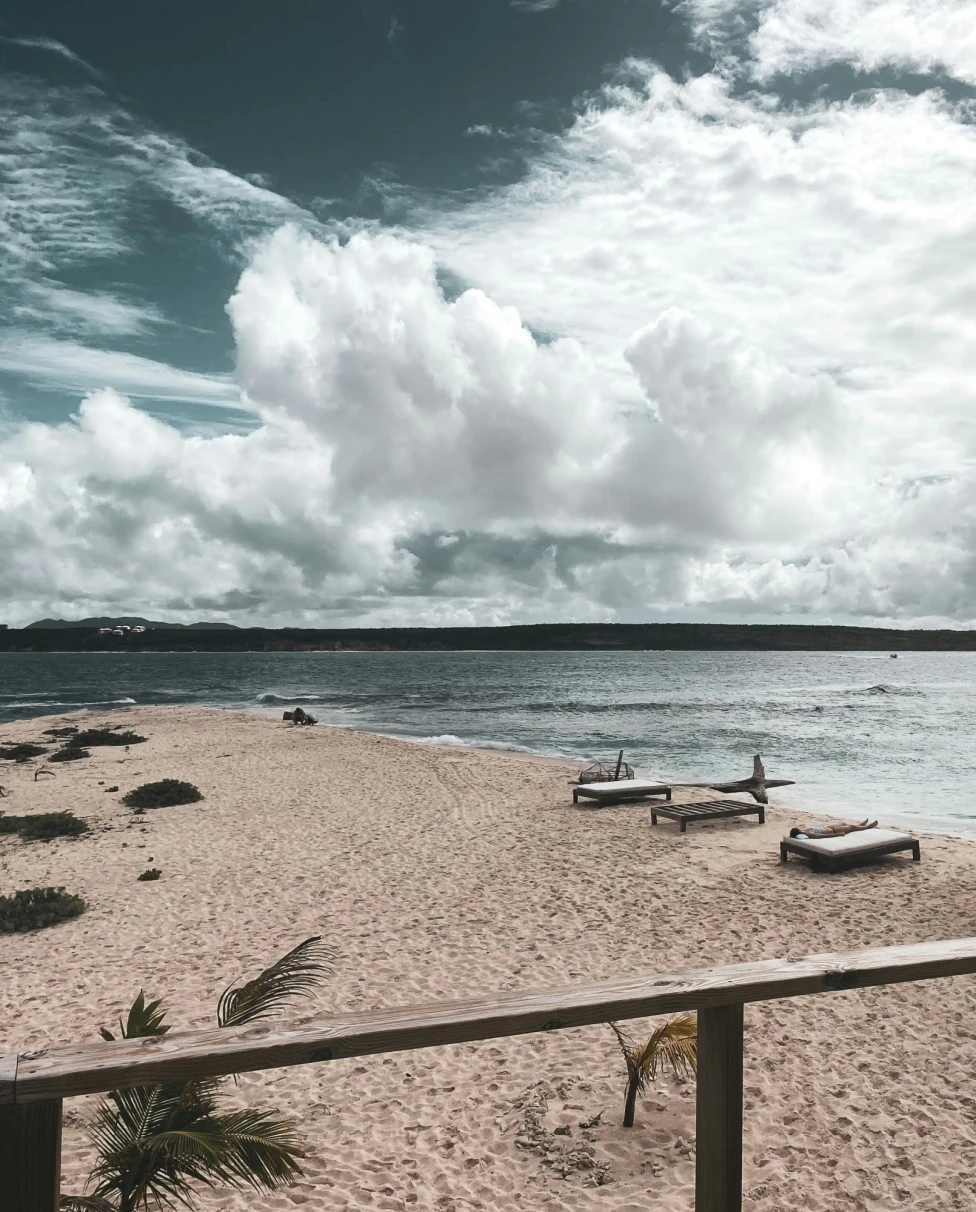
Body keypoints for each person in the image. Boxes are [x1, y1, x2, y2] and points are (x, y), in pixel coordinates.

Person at [790, 819, 878, 840]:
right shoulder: (809, 834)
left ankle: (860, 825)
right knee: (851, 827)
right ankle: (867, 827)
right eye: (799, 829)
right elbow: (822, 836)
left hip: (829, 827)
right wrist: (837, 835)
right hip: (834, 831)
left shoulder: (806, 831)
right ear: (799, 831)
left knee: (844, 824)